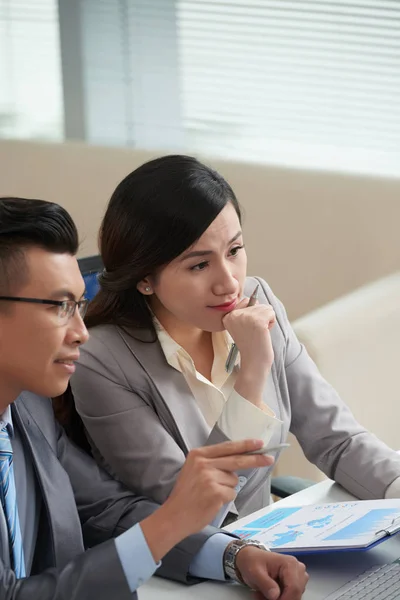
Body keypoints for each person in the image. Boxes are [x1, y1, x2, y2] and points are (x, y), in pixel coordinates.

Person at [0, 197, 309, 599]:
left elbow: (108, 512)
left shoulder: (28, 407)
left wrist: (233, 555)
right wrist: (171, 522)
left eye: (79, 305)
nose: (81, 331)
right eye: (60, 306)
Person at [71, 154, 400, 520]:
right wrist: (253, 370)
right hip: (193, 567)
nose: (229, 282)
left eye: (234, 251)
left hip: (276, 549)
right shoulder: (101, 361)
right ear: (144, 278)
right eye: (199, 264)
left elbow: (338, 440)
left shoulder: (257, 299)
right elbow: (197, 511)